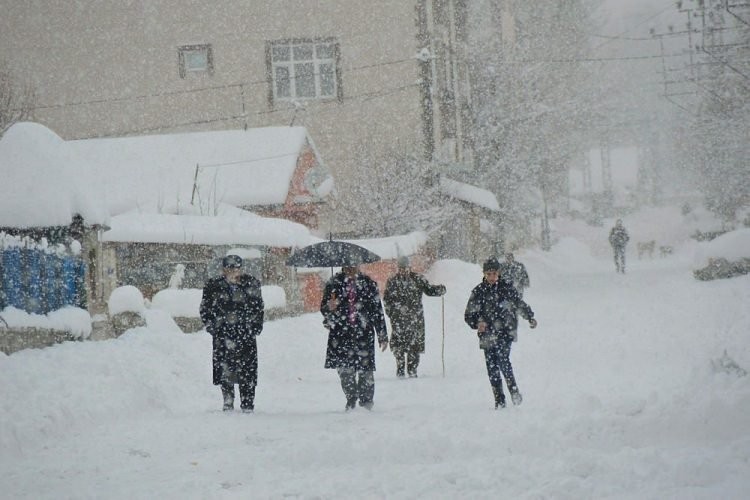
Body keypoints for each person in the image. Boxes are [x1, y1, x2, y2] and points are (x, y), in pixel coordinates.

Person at [464, 257, 537, 409]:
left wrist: (530, 316)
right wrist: (478, 323)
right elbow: (469, 315)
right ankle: (499, 399)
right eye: (489, 274)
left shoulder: (507, 288)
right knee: (492, 367)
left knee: (503, 360)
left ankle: (514, 390)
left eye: (494, 273)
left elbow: (519, 304)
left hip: (505, 331)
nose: (492, 277)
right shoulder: (478, 292)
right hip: (487, 334)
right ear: (484, 274)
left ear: (499, 273)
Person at [200, 255, 264, 413]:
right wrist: (212, 326)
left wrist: (254, 327)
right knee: (225, 368)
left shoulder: (251, 284)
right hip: (224, 333)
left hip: (245, 333)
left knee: (247, 369)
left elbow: (258, 307)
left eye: (236, 268)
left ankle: (247, 402)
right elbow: (205, 308)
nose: (233, 272)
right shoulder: (214, 286)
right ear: (223, 269)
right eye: (229, 268)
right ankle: (228, 400)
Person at [320, 264, 389, 411]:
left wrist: (382, 335)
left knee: (365, 370)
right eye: (348, 267)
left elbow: (377, 312)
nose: (351, 270)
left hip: (363, 333)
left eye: (353, 267)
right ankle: (351, 398)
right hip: (341, 334)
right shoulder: (333, 284)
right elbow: (324, 308)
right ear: (343, 267)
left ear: (358, 266)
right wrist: (329, 307)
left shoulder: (368, 284)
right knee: (345, 371)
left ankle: (366, 402)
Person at [383, 256, 446, 378]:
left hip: (415, 320)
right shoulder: (392, 281)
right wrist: (392, 313)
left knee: (414, 346)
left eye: (405, 268)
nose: (403, 271)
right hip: (398, 321)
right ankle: (400, 369)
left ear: (409, 267)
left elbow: (429, 290)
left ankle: (412, 370)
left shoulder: (417, 279)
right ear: (398, 268)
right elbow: (387, 300)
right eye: (401, 268)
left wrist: (439, 290)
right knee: (399, 348)